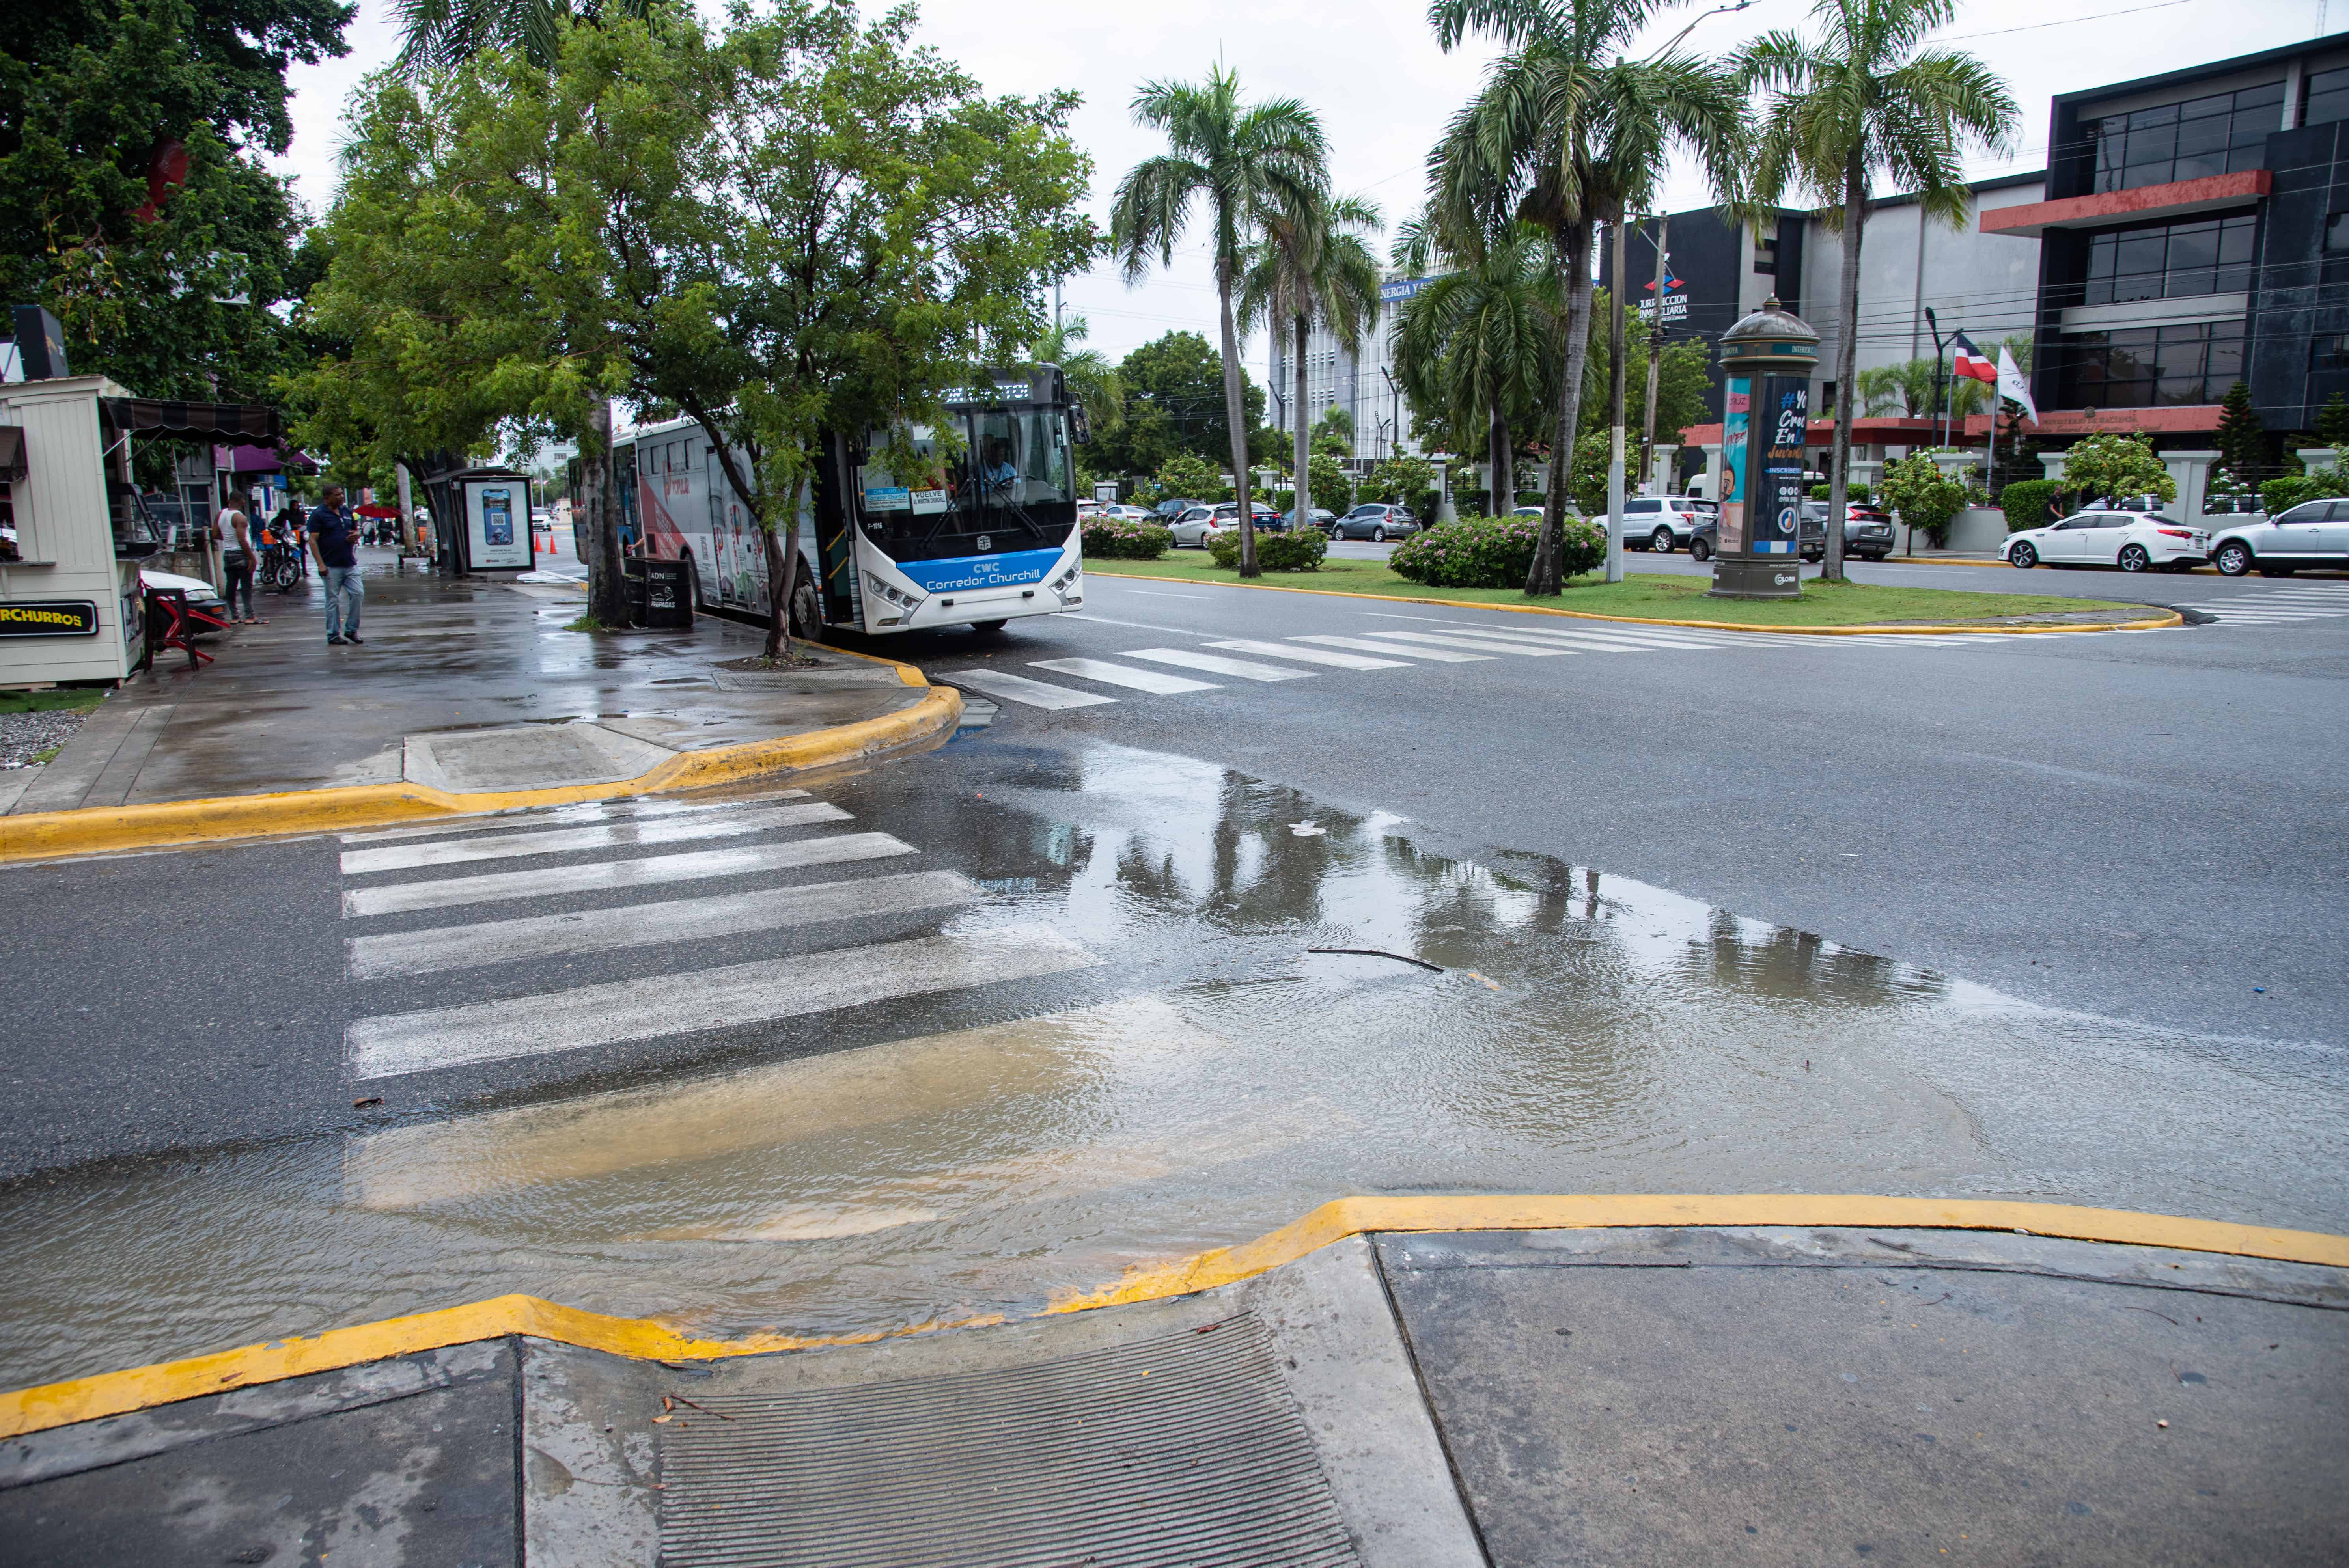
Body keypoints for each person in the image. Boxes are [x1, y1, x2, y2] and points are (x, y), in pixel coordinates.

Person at [307, 485, 364, 645]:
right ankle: (333, 634)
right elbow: (312, 540)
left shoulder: (347, 513)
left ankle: (352, 630)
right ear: (327, 497)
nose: (341, 497)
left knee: (358, 594)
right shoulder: (319, 515)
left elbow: (355, 531)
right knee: (333, 600)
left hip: (349, 563)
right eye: (337, 495)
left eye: (341, 494)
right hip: (331, 566)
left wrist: (356, 535)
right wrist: (320, 565)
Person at [216, 493, 259, 624]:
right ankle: (250, 616)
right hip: (241, 554)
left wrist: (229, 539)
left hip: (228, 553)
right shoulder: (240, 518)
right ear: (242, 502)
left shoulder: (220, 515)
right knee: (246, 586)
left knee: (231, 585)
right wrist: (252, 558)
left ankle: (235, 616)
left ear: (229, 501)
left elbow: (215, 534)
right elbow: (242, 540)